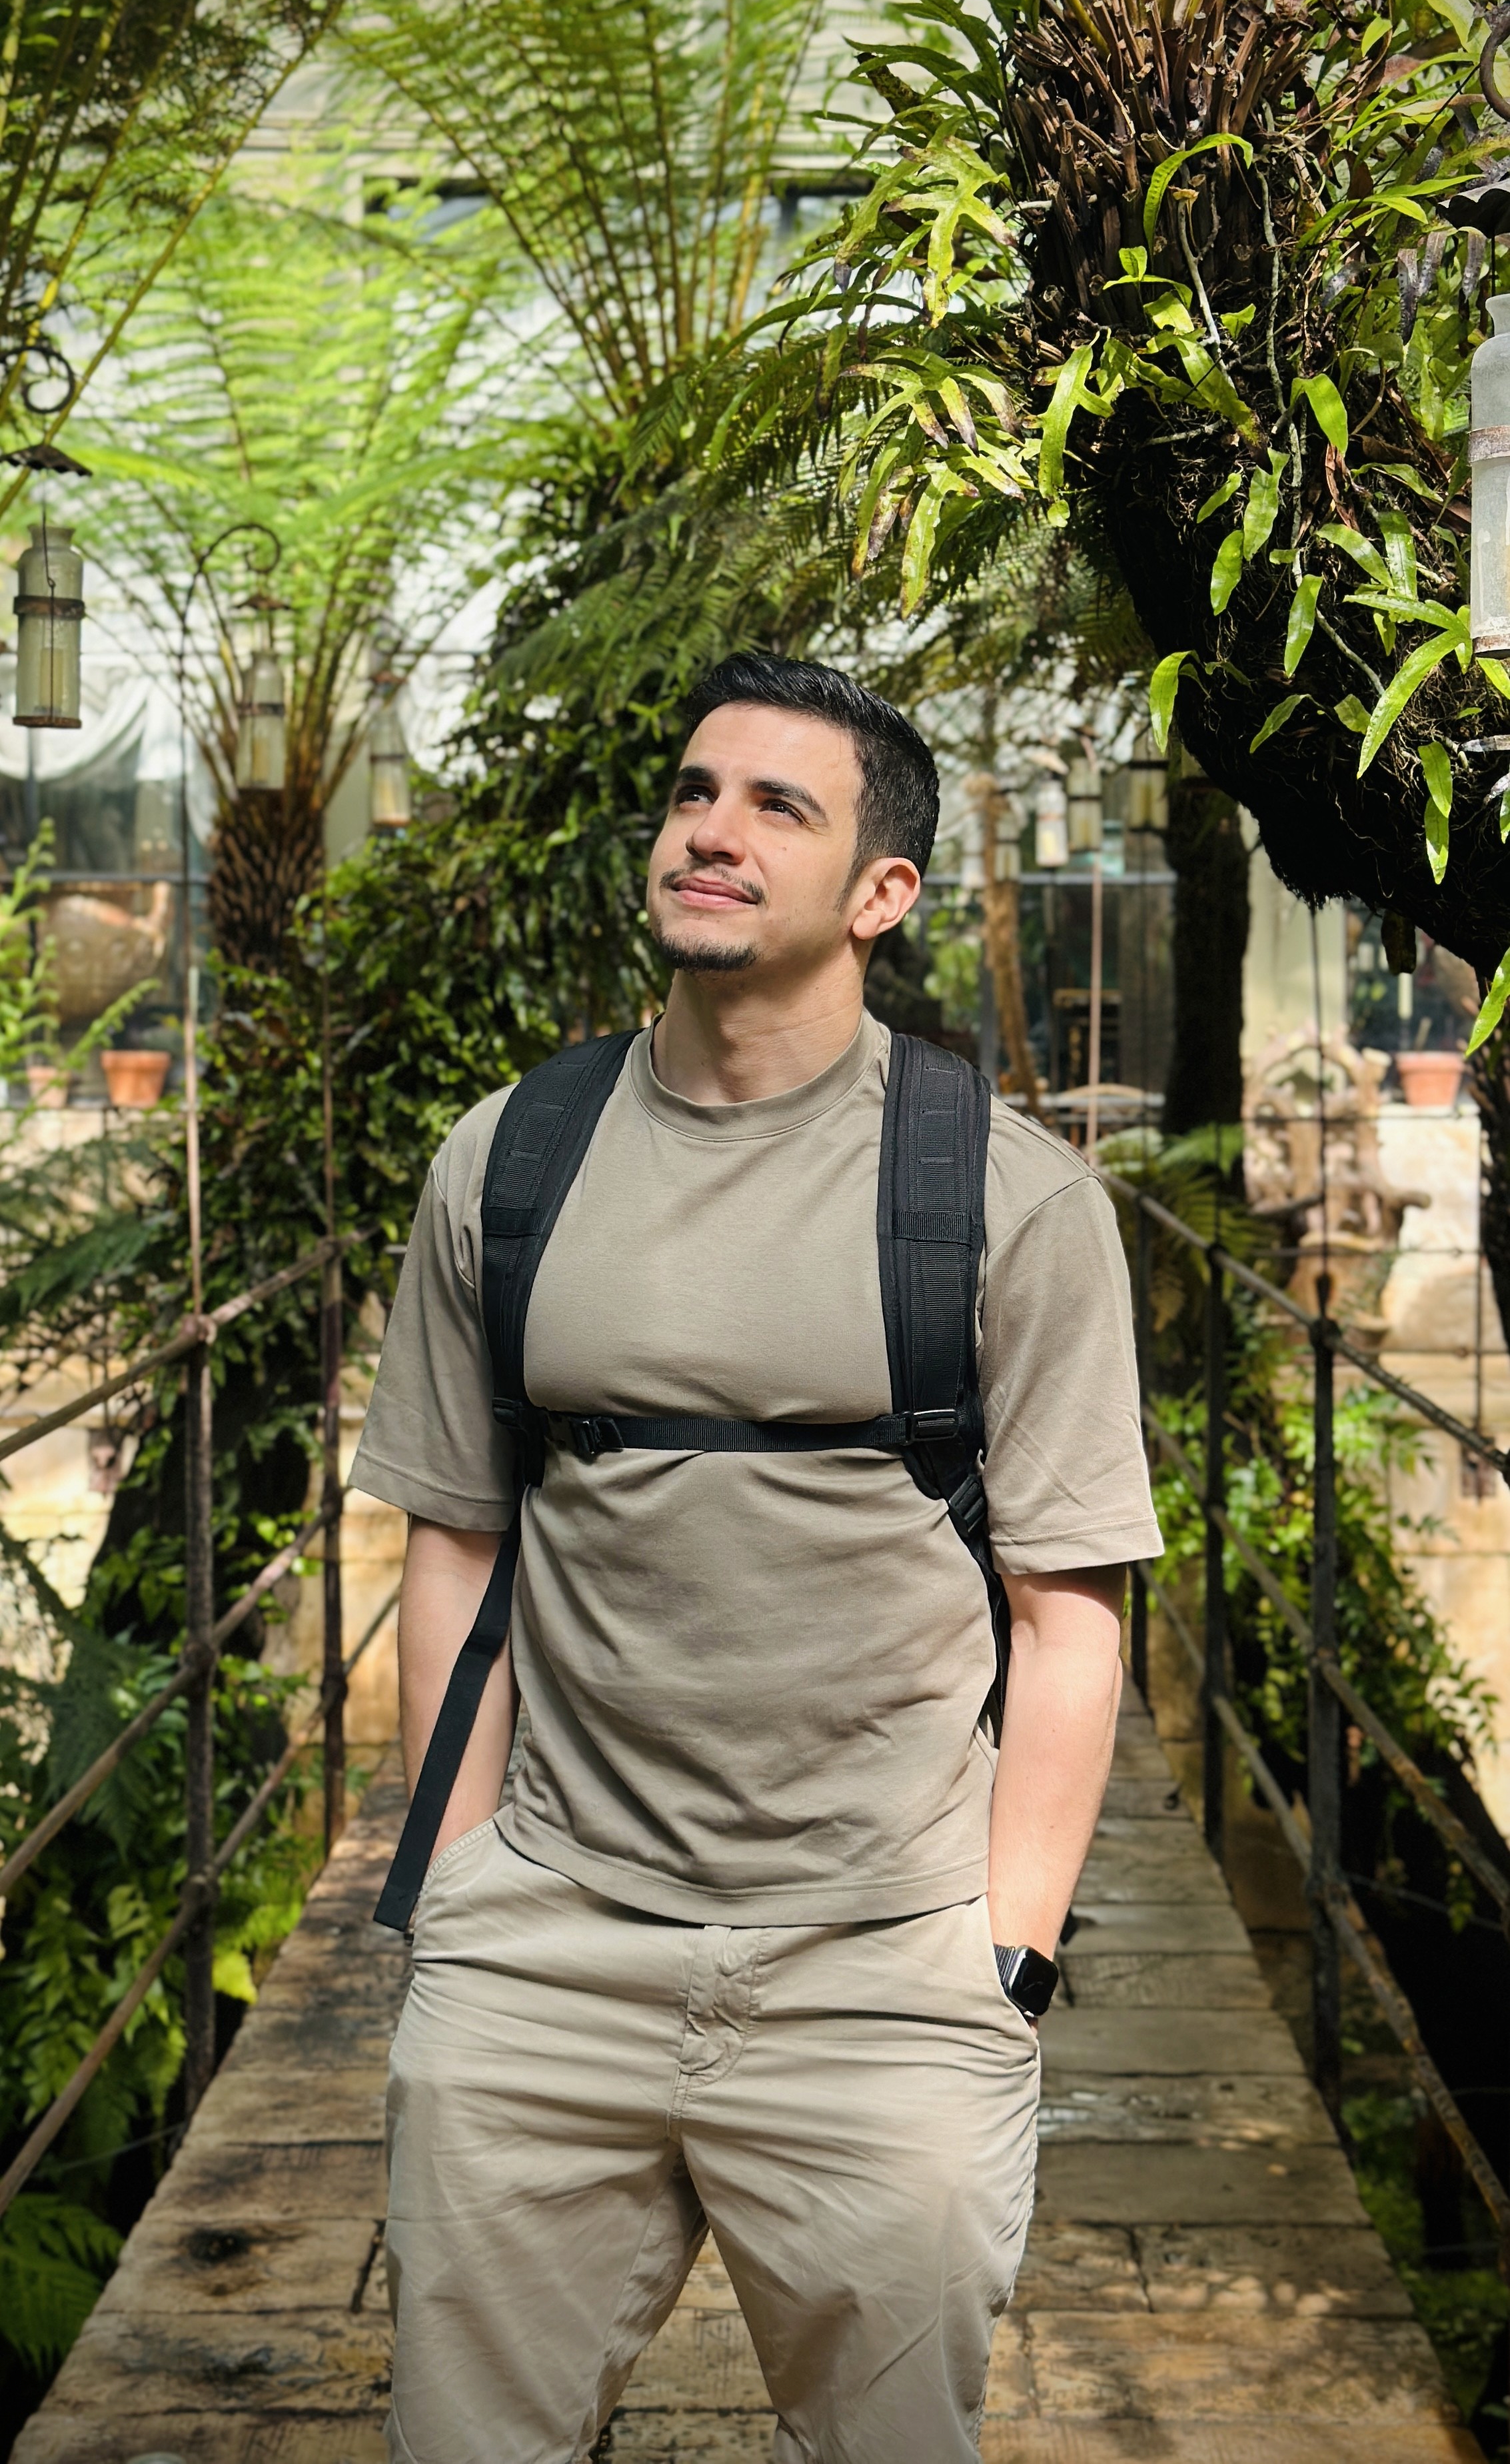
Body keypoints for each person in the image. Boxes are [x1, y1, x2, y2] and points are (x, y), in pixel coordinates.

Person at [349, 650, 1162, 2464]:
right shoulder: (505, 1165)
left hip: (879, 1977)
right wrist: (463, 1893)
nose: (709, 834)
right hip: (545, 1951)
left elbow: (1070, 1616)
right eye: (694, 794)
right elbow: (456, 1547)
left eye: (775, 808)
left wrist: (1001, 1964)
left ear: (882, 892)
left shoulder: (1009, 1204)